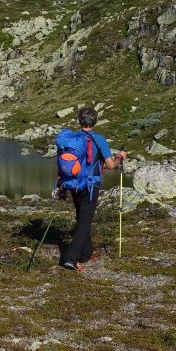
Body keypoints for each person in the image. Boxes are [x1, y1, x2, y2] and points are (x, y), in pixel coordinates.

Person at [61, 106, 127, 272]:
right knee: (85, 221)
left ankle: (86, 253)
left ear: (79, 120)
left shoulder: (71, 138)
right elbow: (111, 164)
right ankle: (71, 258)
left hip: (73, 183)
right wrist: (120, 156)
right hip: (91, 184)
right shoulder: (99, 139)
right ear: (95, 121)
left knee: (82, 218)